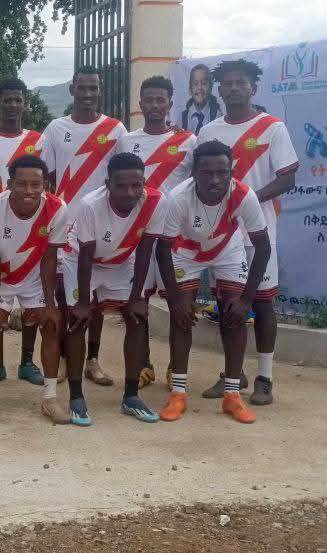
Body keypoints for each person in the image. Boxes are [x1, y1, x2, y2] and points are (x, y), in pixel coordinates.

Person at [148, 141, 271, 424]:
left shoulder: (244, 195)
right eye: (207, 172)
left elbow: (263, 248)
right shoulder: (177, 198)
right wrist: (176, 300)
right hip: (185, 251)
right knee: (181, 316)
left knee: (235, 314)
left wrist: (246, 300)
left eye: (222, 172)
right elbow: (163, 249)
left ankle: (232, 396)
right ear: (194, 173)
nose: (215, 179)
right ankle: (178, 394)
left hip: (227, 249)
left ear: (231, 172)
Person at [198, 59, 298, 405]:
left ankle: (264, 378)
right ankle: (233, 374)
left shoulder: (272, 128)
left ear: (253, 88)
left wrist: (247, 200)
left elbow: (287, 178)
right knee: (227, 305)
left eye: (240, 82)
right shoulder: (209, 132)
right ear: (219, 90)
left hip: (258, 233)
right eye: (227, 83)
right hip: (222, 236)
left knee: (263, 303)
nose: (234, 88)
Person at [40, 65, 129, 423]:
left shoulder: (116, 129)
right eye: (82, 87)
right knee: (68, 299)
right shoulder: (55, 129)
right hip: (66, 225)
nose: (88, 94)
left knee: (96, 302)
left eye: (94, 88)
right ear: (73, 89)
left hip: (103, 225)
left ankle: (93, 359)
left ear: (100, 90)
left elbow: (124, 173)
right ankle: (64, 359)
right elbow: (47, 177)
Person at [70, 153, 167, 424]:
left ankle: (131, 396)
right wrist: (83, 302)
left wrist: (137, 297)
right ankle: (76, 397)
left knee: (136, 317)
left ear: (144, 182)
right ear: (107, 184)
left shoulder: (156, 202)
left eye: (137, 185)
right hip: (81, 259)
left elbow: (145, 251)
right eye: (121, 186)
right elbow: (86, 255)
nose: (130, 192)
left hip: (122, 260)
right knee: (78, 320)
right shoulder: (90, 205)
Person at [117, 75, 197, 390]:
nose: (154, 105)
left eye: (160, 100)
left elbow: (196, 185)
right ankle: (144, 364)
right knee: (137, 304)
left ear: (169, 104)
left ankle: (176, 368)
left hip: (176, 238)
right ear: (140, 103)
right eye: (148, 100)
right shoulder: (126, 141)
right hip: (137, 237)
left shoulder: (189, 141)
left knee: (180, 302)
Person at [0, 155, 67, 426]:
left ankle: (50, 398)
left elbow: (49, 258)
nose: (29, 191)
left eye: (36, 184)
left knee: (51, 324)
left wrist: (49, 304)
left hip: (33, 275)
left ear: (45, 185)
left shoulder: (58, 208)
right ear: (9, 184)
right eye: (21, 184)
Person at [0, 77, 47, 389]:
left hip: (30, 231)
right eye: (7, 100)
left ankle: (27, 362)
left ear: (25, 104)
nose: (13, 105)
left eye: (18, 100)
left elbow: (46, 181)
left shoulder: (39, 140)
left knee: (31, 299)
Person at [180, 64, 221, 134]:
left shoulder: (218, 116)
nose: (199, 87)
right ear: (190, 89)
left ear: (210, 88)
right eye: (195, 84)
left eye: (204, 83)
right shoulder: (182, 117)